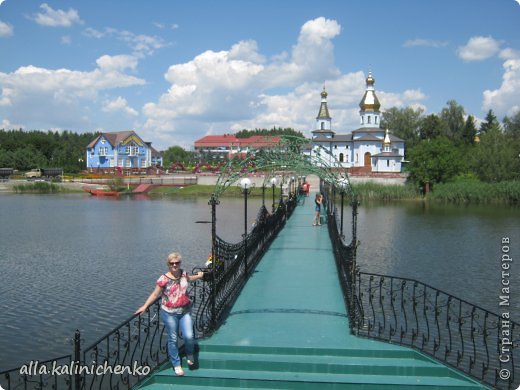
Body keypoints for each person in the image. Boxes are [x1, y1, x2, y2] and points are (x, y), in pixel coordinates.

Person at [135, 252, 204, 376]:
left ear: (180, 263)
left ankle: (189, 353)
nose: (174, 265)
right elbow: (155, 294)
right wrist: (145, 306)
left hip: (185, 311)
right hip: (169, 313)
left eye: (177, 263)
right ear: (168, 264)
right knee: (172, 338)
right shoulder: (164, 279)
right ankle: (176, 364)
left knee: (188, 335)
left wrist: (198, 276)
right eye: (172, 263)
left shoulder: (183, 274)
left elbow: (189, 279)